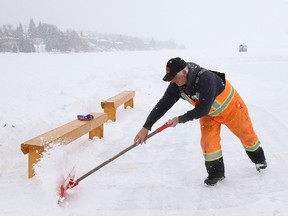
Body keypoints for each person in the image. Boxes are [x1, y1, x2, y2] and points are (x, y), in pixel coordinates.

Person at [134, 57, 267, 186]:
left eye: (174, 78)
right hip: (209, 114)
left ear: (184, 72)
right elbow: (163, 104)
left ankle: (259, 159)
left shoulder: (206, 78)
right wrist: (146, 127)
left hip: (232, 109)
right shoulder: (177, 85)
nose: (172, 82)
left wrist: (180, 119)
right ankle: (216, 174)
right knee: (208, 142)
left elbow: (203, 108)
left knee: (246, 135)